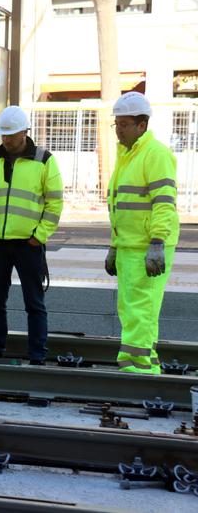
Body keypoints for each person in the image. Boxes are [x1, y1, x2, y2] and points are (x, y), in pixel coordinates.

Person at [0, 106, 63, 364]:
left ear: (25, 132)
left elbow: (54, 203)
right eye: (3, 135)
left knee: (34, 302)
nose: (6, 139)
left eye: (10, 134)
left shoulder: (44, 160)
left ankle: (37, 355)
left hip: (28, 244)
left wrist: (39, 235)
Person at [105, 92, 179, 374]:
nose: (118, 129)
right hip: (130, 247)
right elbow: (120, 206)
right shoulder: (128, 156)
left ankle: (137, 373)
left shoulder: (155, 155)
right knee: (132, 310)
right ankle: (145, 367)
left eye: (123, 124)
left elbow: (164, 203)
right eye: (116, 124)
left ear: (141, 125)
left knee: (140, 310)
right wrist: (114, 245)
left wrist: (157, 242)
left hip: (146, 247)